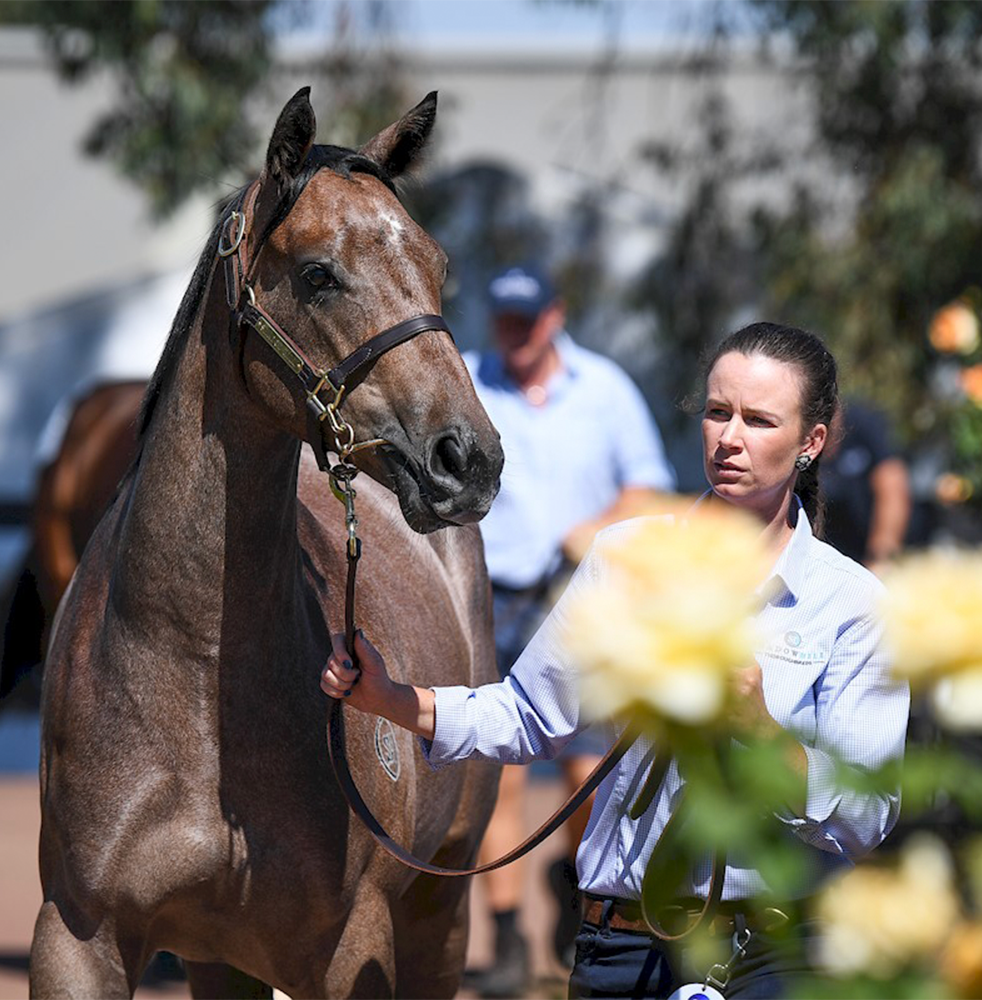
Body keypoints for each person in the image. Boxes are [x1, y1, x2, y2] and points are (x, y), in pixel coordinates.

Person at [321, 322, 910, 1000]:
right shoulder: (627, 556)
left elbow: (867, 814)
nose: (730, 438)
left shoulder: (854, 603)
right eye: (718, 413)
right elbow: (529, 715)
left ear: (811, 442)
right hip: (618, 948)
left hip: (772, 957)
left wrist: (761, 729)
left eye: (759, 420)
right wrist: (393, 699)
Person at [461, 262, 676, 994]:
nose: (514, 334)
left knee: (592, 774)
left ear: (555, 317)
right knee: (502, 771)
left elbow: (647, 487)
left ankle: (570, 878)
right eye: (503, 320)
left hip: (580, 599)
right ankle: (513, 934)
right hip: (491, 598)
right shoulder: (466, 376)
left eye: (527, 320)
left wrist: (594, 529)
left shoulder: (606, 389)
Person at [821, 398, 911, 574]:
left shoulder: (865, 424)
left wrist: (881, 558)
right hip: (828, 557)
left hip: (869, 551)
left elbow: (893, 485)